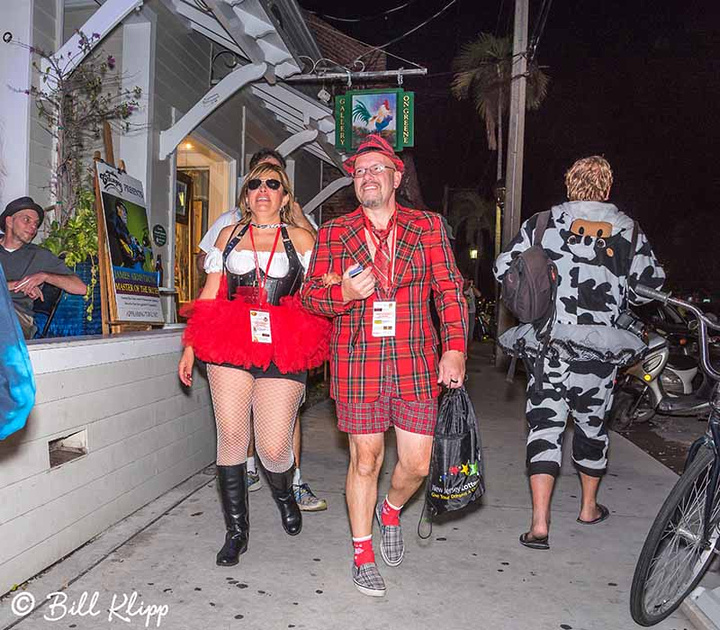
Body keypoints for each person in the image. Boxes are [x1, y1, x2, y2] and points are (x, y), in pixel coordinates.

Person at [301, 134, 467, 597]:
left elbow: (449, 290)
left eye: (376, 168)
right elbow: (311, 296)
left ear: (397, 177)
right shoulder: (335, 232)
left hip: (415, 361)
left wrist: (454, 347)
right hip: (358, 363)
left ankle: (390, 511)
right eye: (358, 171)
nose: (366, 176)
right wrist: (345, 294)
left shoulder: (428, 226)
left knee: (417, 463)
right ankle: (362, 552)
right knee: (366, 459)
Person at [493, 156, 665, 550]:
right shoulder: (629, 231)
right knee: (592, 428)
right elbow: (648, 288)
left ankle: (539, 524)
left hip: (548, 347)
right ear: (607, 188)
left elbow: (504, 268)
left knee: (544, 428)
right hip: (598, 354)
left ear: (569, 185)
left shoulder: (541, 224)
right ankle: (588, 507)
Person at [178, 162, 331, 567]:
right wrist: (191, 346)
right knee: (231, 436)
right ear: (246, 196)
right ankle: (236, 532)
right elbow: (210, 293)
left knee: (273, 447)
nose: (263, 189)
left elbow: (321, 291)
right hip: (229, 339)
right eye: (255, 184)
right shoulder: (228, 236)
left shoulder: (303, 238)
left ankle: (284, 495)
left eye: (273, 184)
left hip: (285, 343)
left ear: (284, 196)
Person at [0, 196, 87, 339]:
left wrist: (44, 276)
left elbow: (81, 288)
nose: (33, 227)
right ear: (9, 221)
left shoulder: (40, 256)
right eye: (27, 220)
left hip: (18, 319)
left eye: (36, 223)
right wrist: (17, 285)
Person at [463, 278, 481, 344]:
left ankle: (468, 348)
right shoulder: (459, 288)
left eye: (466, 280)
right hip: (462, 313)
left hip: (471, 312)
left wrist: (472, 286)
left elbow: (479, 295)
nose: (465, 282)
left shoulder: (471, 289)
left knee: (470, 332)